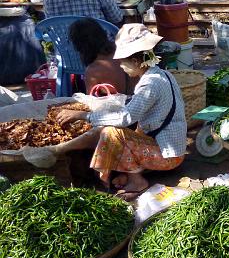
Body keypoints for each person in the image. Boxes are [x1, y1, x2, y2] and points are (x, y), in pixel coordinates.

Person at [54, 24, 187, 199]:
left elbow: (125, 117)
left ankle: (138, 182)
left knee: (112, 133)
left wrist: (83, 115)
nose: (121, 65)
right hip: (169, 148)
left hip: (169, 156)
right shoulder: (162, 75)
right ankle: (129, 174)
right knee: (121, 132)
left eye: (123, 61)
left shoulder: (150, 84)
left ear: (136, 61)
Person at [69, 18, 137, 95]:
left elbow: (91, 102)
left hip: (116, 105)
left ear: (79, 46)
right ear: (103, 34)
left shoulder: (93, 71)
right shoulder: (124, 52)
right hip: (137, 100)